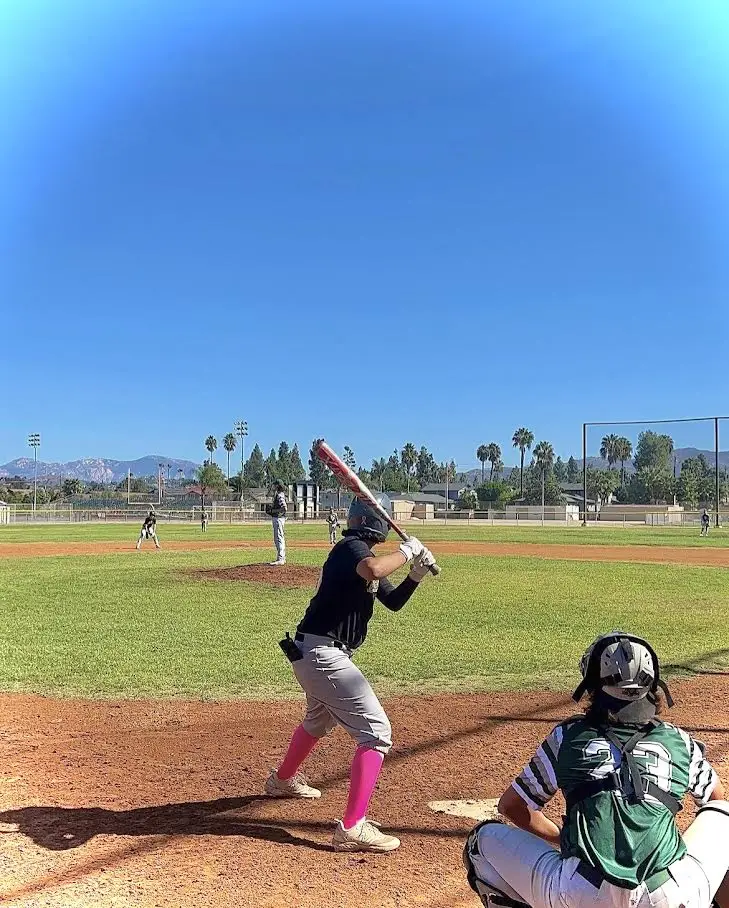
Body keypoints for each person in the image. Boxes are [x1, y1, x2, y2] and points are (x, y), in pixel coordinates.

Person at [463, 630, 729, 908]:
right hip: (669, 896)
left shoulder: (568, 737)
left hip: (581, 893)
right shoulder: (679, 740)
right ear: (652, 685)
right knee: (724, 814)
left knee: (480, 843)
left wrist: (562, 838)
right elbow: (716, 799)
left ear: (592, 686)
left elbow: (512, 806)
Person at [265, 495, 436, 853]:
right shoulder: (351, 549)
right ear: (376, 522)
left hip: (315, 653)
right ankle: (353, 827)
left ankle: (282, 781)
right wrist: (407, 551)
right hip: (322, 655)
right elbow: (374, 570)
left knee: (317, 721)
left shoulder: (361, 554)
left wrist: (416, 574)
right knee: (377, 733)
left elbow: (392, 601)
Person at [269, 482, 287, 565]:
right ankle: (281, 557)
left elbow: (284, 508)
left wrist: (274, 511)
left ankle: (281, 558)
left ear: (278, 486)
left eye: (275, 485)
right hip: (278, 518)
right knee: (278, 538)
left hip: (278, 519)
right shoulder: (279, 495)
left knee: (279, 538)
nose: (273, 486)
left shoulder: (280, 495)